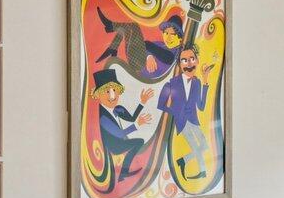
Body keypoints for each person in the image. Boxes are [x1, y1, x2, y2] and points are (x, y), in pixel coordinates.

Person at [158, 43, 213, 183]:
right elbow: (160, 105)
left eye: (192, 59)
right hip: (182, 122)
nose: (189, 64)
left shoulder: (197, 83)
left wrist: (205, 81)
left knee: (204, 145)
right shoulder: (172, 83)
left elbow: (201, 106)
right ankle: (202, 171)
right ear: (179, 64)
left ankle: (183, 160)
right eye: (184, 60)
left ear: (197, 61)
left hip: (194, 119)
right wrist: (176, 112)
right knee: (196, 146)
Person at [90, 66, 155, 184]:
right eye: (107, 91)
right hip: (113, 145)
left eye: (114, 90)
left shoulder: (118, 108)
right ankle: (123, 173)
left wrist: (142, 102)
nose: (112, 96)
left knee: (138, 141)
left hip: (120, 141)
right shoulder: (103, 117)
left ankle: (123, 173)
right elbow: (119, 134)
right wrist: (137, 125)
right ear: (98, 94)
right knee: (138, 142)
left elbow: (132, 118)